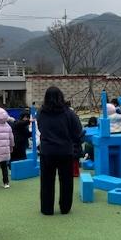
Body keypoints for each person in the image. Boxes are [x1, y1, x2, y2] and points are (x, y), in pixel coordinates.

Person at [37, 86, 83, 215]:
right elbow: (78, 131)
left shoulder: (41, 113)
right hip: (65, 151)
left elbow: (40, 128)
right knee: (66, 181)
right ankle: (65, 207)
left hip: (47, 151)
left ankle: (47, 209)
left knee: (46, 182)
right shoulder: (69, 113)